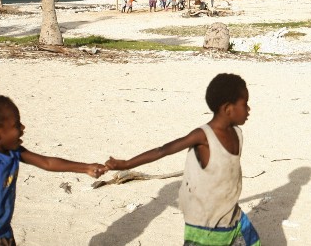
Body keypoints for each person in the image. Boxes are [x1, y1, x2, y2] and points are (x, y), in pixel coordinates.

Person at [105, 74, 260, 246]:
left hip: (233, 216)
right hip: (205, 225)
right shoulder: (203, 136)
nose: (249, 109)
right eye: (244, 104)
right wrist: (125, 164)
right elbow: (163, 150)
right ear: (227, 109)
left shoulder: (237, 133)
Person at [0, 96, 106, 246]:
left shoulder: (12, 151)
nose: (23, 128)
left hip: (1, 232)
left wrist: (86, 167)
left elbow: (47, 162)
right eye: (16, 125)